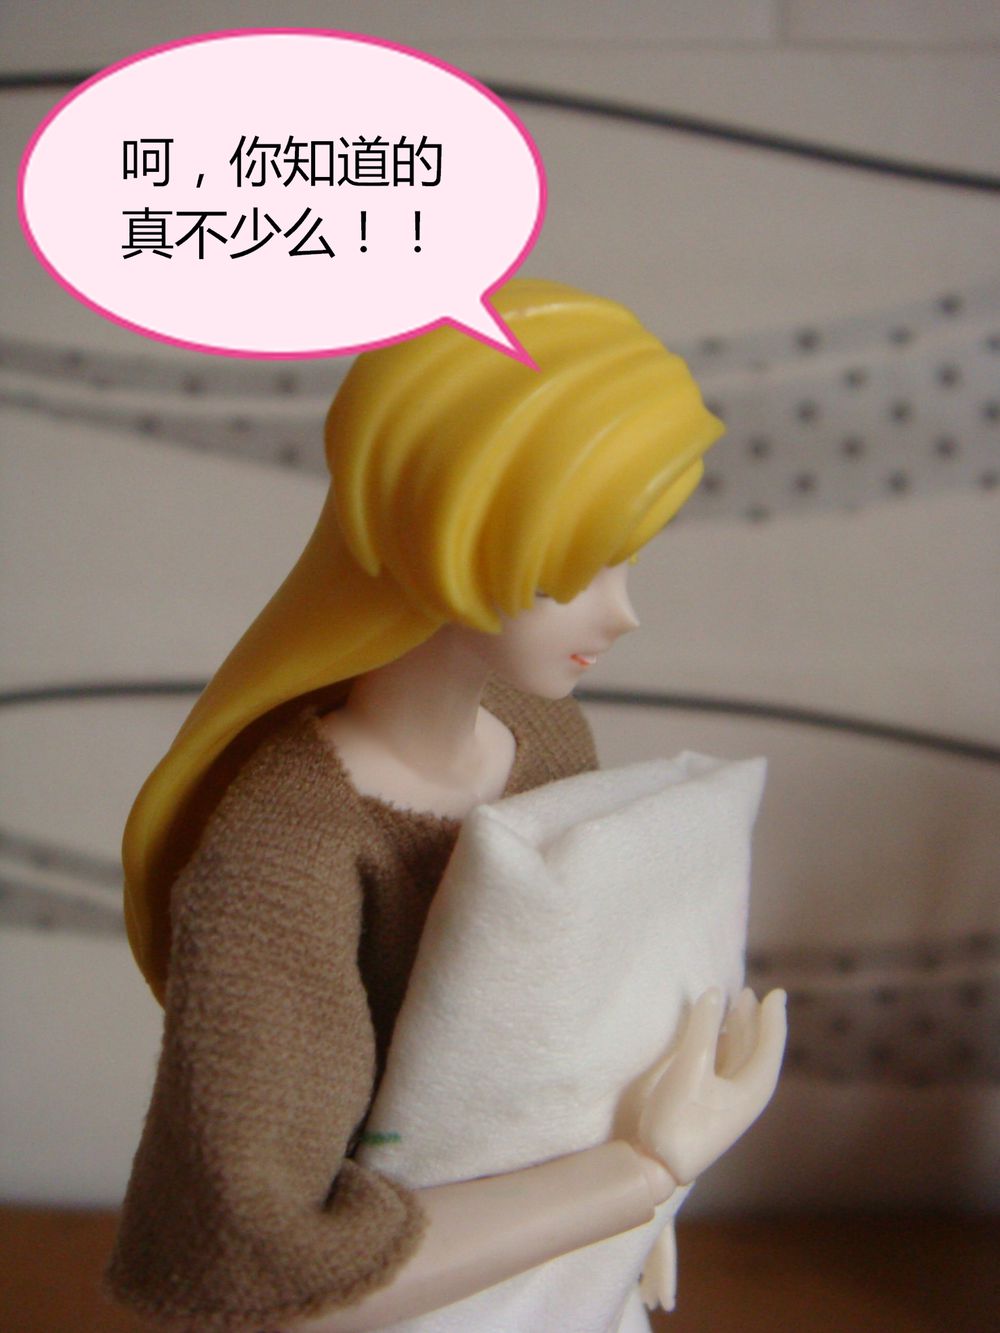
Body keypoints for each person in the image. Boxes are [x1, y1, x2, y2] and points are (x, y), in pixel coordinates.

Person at [107, 279, 784, 1332]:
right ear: (440, 541)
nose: (624, 613)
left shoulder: (546, 735)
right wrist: (640, 1174)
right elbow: (267, 1274)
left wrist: (625, 1235)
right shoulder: (288, 849)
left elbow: (559, 1038)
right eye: (569, 572)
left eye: (624, 561)